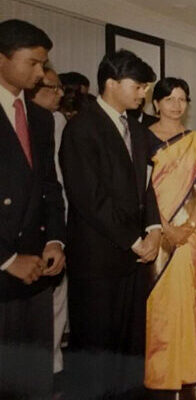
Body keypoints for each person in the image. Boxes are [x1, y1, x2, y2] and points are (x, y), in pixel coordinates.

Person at [59, 49, 160, 399]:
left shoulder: (136, 127)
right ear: (111, 83)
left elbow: (147, 188)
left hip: (136, 257)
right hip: (98, 259)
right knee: (97, 347)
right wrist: (134, 238)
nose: (143, 93)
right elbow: (89, 198)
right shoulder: (81, 129)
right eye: (138, 85)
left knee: (131, 344)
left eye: (146, 87)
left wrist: (154, 231)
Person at [0, 19, 66, 399]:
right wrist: (8, 259)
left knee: (34, 376)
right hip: (5, 265)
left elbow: (49, 187)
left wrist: (55, 239)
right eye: (33, 63)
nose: (41, 74)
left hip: (38, 265)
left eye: (44, 64)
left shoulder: (41, 118)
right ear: (2, 59)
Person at [143, 77, 196, 394]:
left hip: (190, 234)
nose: (176, 105)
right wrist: (165, 226)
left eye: (182, 99)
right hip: (158, 232)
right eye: (169, 99)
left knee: (191, 301)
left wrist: (191, 224)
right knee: (160, 305)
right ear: (155, 103)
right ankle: (159, 373)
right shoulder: (141, 139)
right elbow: (139, 190)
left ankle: (190, 368)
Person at [27, 67, 70, 376]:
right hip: (25, 233)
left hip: (58, 225)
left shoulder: (55, 122)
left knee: (57, 302)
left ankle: (53, 368)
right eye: (53, 88)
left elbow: (56, 182)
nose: (60, 94)